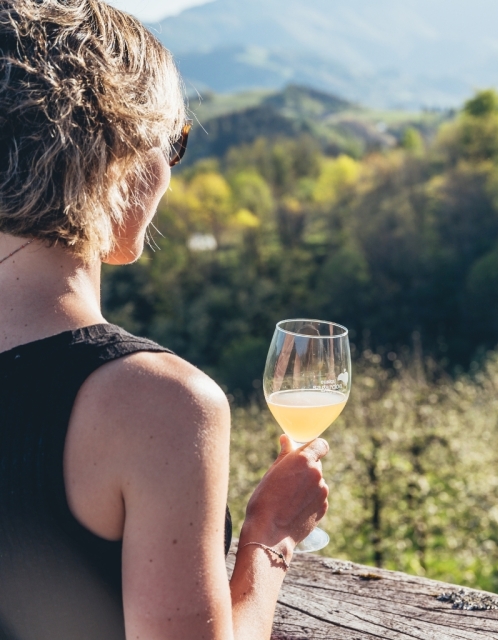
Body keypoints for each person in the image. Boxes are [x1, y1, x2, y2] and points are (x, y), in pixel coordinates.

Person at [0, 1, 329, 638]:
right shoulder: (159, 406)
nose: (170, 175)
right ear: (118, 156)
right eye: (172, 143)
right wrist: (273, 536)